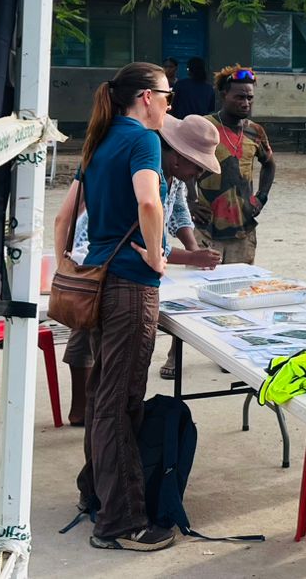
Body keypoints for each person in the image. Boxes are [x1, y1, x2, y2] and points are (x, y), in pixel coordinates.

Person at [51, 62, 177, 552]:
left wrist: (64, 260)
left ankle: (94, 494)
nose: (170, 103)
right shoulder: (142, 139)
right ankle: (121, 522)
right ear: (145, 97)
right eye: (167, 94)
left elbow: (64, 216)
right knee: (118, 403)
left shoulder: (100, 140)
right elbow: (150, 203)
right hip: (129, 285)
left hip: (99, 281)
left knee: (106, 394)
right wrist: (155, 254)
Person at [65, 115, 224, 414]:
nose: (198, 173)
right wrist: (177, 256)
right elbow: (143, 239)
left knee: (108, 370)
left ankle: (93, 413)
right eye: (197, 166)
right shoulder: (145, 172)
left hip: (115, 266)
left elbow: (176, 213)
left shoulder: (173, 176)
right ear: (177, 159)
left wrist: (192, 248)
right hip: (101, 268)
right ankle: (83, 410)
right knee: (93, 347)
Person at [192, 66, 275, 266]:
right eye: (239, 97)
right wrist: (190, 201)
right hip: (207, 231)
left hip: (243, 231)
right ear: (224, 95)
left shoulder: (255, 131)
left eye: (249, 98)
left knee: (240, 290)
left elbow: (269, 165)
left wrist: (261, 197)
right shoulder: (205, 126)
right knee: (200, 289)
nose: (245, 103)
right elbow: (182, 166)